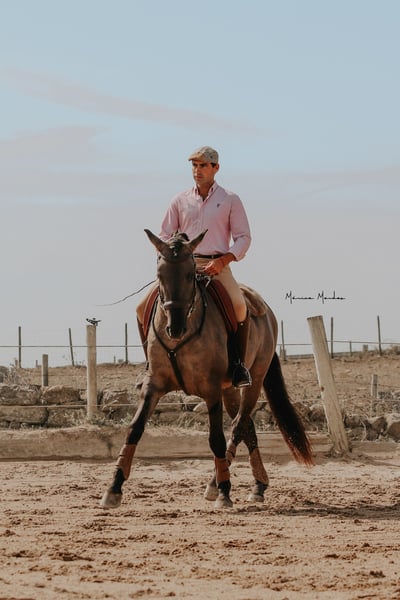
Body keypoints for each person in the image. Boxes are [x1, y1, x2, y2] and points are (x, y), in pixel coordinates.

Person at [137, 145, 252, 388]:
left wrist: (223, 261)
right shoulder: (179, 200)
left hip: (217, 264)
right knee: (140, 307)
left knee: (239, 306)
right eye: (194, 166)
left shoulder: (230, 199)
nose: (197, 170)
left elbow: (243, 237)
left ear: (216, 168)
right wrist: (172, 259)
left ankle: (238, 365)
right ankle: (150, 364)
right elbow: (164, 235)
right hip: (182, 267)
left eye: (203, 166)